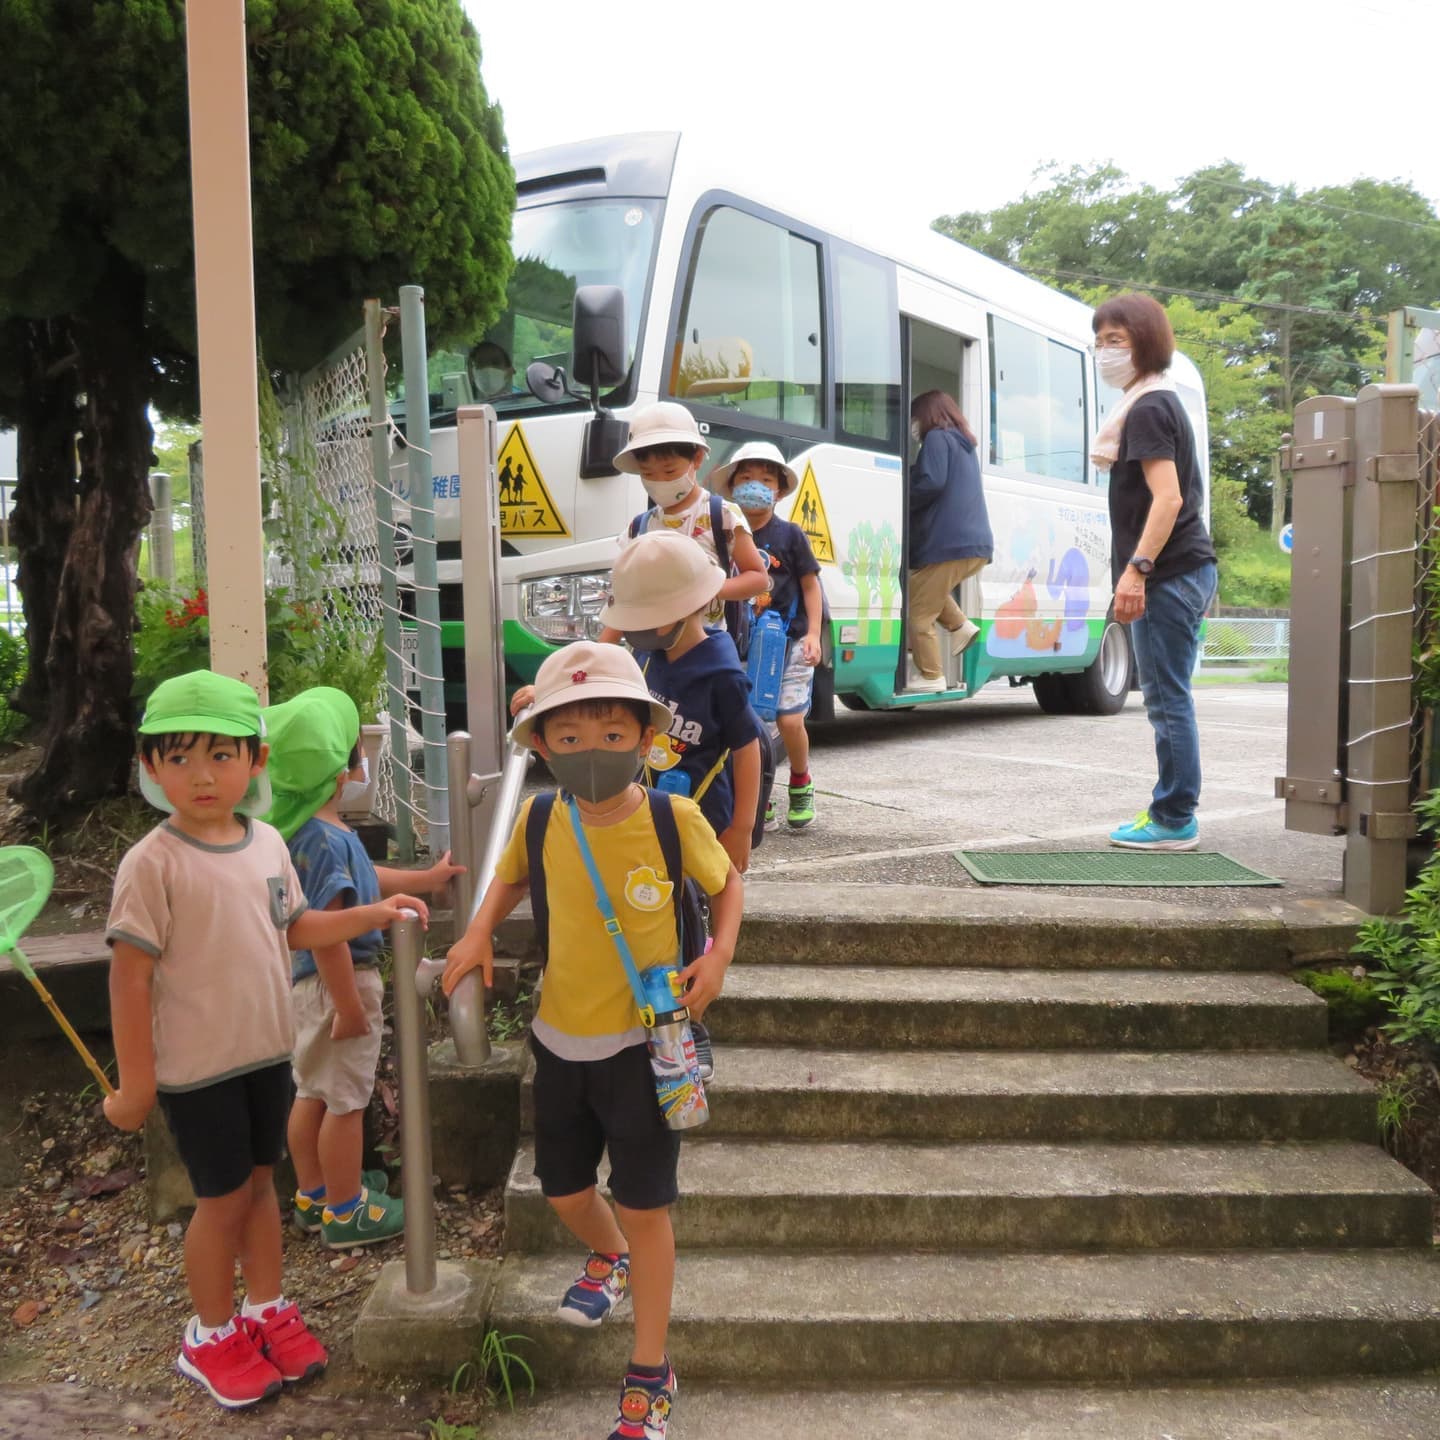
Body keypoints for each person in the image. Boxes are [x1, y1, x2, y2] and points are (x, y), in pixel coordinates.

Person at [103, 670, 430, 1411]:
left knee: (261, 1191)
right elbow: (127, 980)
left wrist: (373, 915)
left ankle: (265, 1308)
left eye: (222, 755)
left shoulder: (265, 844)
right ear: (151, 767)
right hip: (197, 1070)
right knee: (221, 1201)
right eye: (179, 758)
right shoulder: (151, 863)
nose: (203, 775)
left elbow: (299, 927)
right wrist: (136, 1084)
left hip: (266, 1054)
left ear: (256, 761)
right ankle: (210, 1333)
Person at [443, 641, 741, 1440]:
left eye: (613, 736)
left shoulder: (674, 820)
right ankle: (605, 1259)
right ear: (540, 745)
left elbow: (728, 883)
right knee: (567, 1191)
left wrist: (717, 957)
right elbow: (506, 877)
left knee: (648, 1208)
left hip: (645, 1051)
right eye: (569, 739)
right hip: (558, 1042)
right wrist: (476, 936)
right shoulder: (542, 817)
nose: (593, 754)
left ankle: (650, 1369)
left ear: (646, 736)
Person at [262, 687, 462, 1249]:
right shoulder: (326, 840)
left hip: (305, 988)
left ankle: (315, 1194)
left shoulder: (307, 831)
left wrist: (424, 878)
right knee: (346, 1101)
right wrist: (350, 1005)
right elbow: (329, 929)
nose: (363, 761)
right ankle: (347, 1211)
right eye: (356, 752)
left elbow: (364, 874)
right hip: (340, 981)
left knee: (312, 1092)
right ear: (341, 773)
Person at [1092, 293, 1218, 850]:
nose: (1104, 352)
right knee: (1169, 695)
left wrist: (1136, 570)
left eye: (1115, 341)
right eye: (1098, 341)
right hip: (1180, 569)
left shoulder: (1147, 409)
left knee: (1167, 698)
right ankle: (1172, 809)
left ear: (1145, 342)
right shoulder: (1156, 403)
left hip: (1168, 572)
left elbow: (1167, 499)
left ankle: (1173, 817)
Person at [711, 440, 824, 830]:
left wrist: (813, 634)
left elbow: (811, 586)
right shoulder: (724, 533)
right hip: (740, 644)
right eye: (745, 478)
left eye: (764, 479)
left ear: (778, 490)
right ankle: (762, 793)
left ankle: (801, 779)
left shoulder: (791, 535)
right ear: (732, 487)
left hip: (788, 643)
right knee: (750, 724)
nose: (754, 485)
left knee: (788, 721)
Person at [598, 401, 768, 641]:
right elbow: (625, 600)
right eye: (648, 473)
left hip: (705, 647)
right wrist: (598, 655)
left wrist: (706, 590)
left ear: (697, 459)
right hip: (650, 650)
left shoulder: (722, 516)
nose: (659, 481)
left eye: (669, 472)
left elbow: (758, 578)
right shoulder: (638, 529)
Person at [906, 390, 994, 693]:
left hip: (946, 544)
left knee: (918, 615)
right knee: (926, 588)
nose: (913, 425)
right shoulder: (963, 444)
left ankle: (932, 676)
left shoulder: (937, 439)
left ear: (928, 414)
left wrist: (901, 497)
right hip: (971, 545)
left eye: (915, 417)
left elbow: (931, 481)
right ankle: (959, 625)